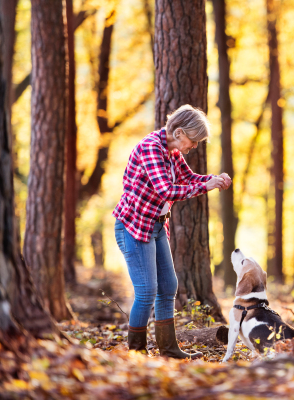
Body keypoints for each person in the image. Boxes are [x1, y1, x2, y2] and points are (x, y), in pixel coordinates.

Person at [113, 105, 231, 359]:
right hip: (133, 227)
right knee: (146, 291)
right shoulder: (151, 148)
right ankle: (136, 353)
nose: (194, 146)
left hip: (155, 226)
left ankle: (168, 350)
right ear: (178, 132)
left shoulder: (172, 151)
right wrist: (207, 186)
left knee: (168, 287)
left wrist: (214, 179)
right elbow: (166, 190)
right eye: (193, 140)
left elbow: (188, 179)